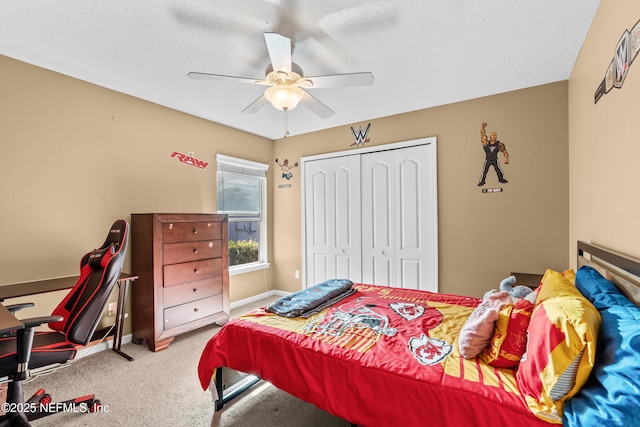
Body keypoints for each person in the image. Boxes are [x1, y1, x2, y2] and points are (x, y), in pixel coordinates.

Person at [478, 122, 509, 186]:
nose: (494, 136)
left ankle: (501, 179)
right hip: (488, 160)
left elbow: (504, 151)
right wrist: (483, 127)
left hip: (495, 160)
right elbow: (482, 134)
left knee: (498, 170)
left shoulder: (498, 144)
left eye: (495, 135)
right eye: (493, 135)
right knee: (484, 171)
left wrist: (507, 158)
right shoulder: (486, 143)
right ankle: (482, 181)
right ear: (490, 136)